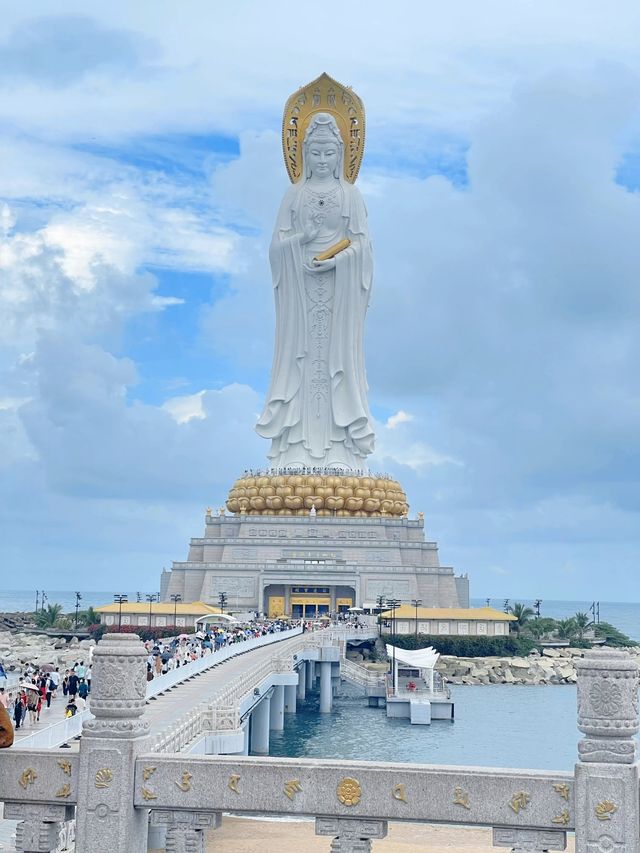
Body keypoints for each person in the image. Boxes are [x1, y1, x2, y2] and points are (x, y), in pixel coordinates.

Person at [255, 112, 374, 469]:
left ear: (341, 154)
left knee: (336, 363)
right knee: (301, 362)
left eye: (329, 153)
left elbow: (363, 248)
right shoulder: (295, 194)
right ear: (304, 155)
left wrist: (340, 260)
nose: (322, 161)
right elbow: (276, 248)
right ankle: (294, 449)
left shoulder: (350, 195)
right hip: (300, 292)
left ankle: (341, 451)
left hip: (339, 292)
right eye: (316, 153)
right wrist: (301, 241)